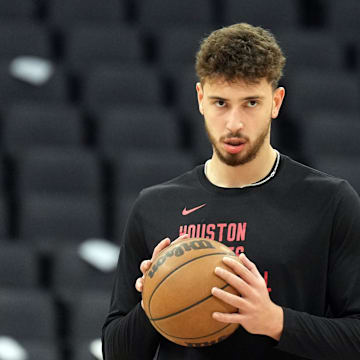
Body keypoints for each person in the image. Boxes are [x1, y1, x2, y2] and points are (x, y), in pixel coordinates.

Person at [102, 23, 360, 359]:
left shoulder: (330, 202)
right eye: (221, 102)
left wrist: (276, 321)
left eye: (251, 103)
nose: (234, 123)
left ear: (276, 102)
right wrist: (157, 300)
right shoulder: (154, 206)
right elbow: (116, 352)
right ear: (200, 100)